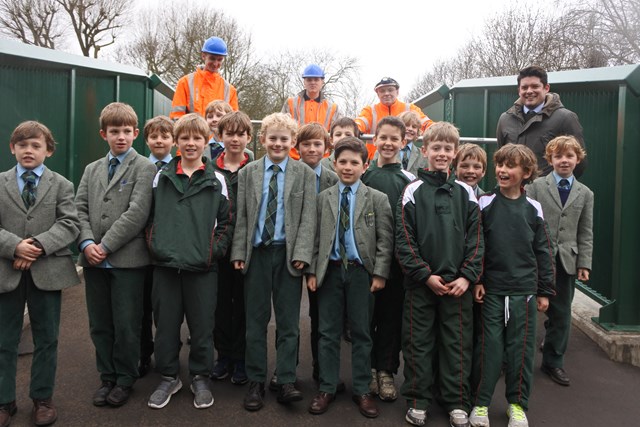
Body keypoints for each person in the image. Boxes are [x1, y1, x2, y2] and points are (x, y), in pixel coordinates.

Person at [396, 122, 484, 427]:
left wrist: (467, 276)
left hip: (458, 286)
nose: (442, 153)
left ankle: (456, 401)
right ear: (425, 151)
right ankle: (418, 400)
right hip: (422, 285)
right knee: (418, 342)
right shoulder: (412, 191)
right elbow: (404, 239)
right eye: (436, 148)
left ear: (455, 152)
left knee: (457, 344)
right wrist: (424, 275)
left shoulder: (466, 193)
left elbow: (476, 239)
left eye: (448, 148)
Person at [146, 114, 233, 410]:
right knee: (166, 326)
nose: (191, 143)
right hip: (166, 266)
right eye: (185, 138)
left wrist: (212, 251)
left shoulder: (216, 180)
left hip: (202, 268)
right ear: (176, 141)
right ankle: (168, 376)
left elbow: (226, 223)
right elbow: (149, 216)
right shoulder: (161, 176)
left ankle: (200, 377)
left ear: (206, 141)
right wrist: (156, 246)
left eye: (197, 138)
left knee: (202, 326)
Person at [230, 113, 316, 412]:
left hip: (288, 255)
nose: (278, 143)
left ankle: (286, 379)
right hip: (257, 254)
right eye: (273, 138)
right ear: (262, 139)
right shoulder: (248, 173)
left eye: (284, 139)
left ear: (293, 142)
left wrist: (302, 252)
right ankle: (255, 380)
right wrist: (239, 252)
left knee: (288, 322)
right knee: (255, 321)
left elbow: (308, 218)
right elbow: (242, 216)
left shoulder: (304, 174)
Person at [75, 102, 156, 408]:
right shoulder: (91, 169)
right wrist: (86, 243)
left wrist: (105, 245)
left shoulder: (144, 167)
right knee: (100, 323)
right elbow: (79, 209)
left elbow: (137, 213)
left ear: (135, 133)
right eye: (114, 131)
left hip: (127, 260)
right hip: (93, 260)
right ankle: (107, 375)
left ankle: (124, 378)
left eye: (126, 131)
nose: (120, 137)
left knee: (126, 323)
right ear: (103, 134)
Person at [0, 121, 80, 427]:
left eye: (36, 146)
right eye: (22, 145)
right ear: (13, 148)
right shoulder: (0, 182)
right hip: (6, 271)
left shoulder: (62, 184)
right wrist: (14, 247)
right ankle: (5, 401)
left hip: (47, 272)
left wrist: (34, 246)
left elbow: (70, 224)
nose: (29, 151)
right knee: (4, 339)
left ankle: (42, 398)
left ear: (48, 150)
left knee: (47, 338)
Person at [306, 137, 393, 419]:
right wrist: (312, 271)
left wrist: (380, 273)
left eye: (354, 162)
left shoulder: (377, 199)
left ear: (365, 166)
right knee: (327, 331)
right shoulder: (323, 198)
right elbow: (315, 238)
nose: (347, 167)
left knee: (361, 332)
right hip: (330, 271)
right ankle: (327, 386)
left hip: (361, 273)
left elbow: (385, 240)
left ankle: (362, 389)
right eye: (342, 161)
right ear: (334, 163)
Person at [470, 144, 555, 427]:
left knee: (521, 351)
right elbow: (477, 245)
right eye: (500, 165)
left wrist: (544, 290)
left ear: (526, 173)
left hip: (525, 292)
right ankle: (481, 403)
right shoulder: (484, 202)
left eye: (511, 166)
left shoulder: (534, 208)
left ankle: (517, 405)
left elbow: (543, 250)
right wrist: (478, 279)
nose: (503, 170)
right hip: (492, 290)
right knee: (489, 349)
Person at [525, 136, 593, 387]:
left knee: (562, 314)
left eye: (569, 156)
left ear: (578, 159)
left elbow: (585, 231)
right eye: (558, 156)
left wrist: (584, 263)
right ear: (550, 159)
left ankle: (553, 361)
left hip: (566, 262)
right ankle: (516, 360)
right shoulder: (535, 187)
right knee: (526, 312)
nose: (564, 160)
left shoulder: (585, 194)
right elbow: (526, 222)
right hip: (536, 260)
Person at [361, 116, 415, 402]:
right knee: (366, 317)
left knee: (391, 318)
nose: (388, 143)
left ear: (404, 142)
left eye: (395, 139)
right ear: (375, 140)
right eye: (383, 137)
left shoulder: (409, 181)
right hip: (366, 261)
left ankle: (386, 370)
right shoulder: (364, 176)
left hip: (396, 264)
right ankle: (368, 368)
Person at [210, 111, 254, 386]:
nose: (235, 139)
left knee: (244, 304)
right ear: (220, 136)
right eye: (230, 134)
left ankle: (241, 357)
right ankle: (223, 355)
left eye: (241, 134)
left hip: (246, 249)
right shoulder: (208, 168)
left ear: (249, 137)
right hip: (217, 248)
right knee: (220, 304)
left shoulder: (256, 169)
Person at [294, 122, 339, 384]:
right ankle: (286, 369)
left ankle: (321, 368)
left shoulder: (333, 178)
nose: (312, 149)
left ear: (326, 147)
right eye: (306, 144)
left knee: (320, 315)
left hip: (322, 256)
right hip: (292, 252)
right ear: (297, 147)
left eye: (317, 144)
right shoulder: (290, 174)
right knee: (289, 317)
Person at [496, 65, 586, 177]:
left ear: (546, 88)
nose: (529, 91)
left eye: (535, 86)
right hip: (512, 188)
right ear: (519, 90)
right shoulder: (505, 119)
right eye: (524, 87)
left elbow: (579, 163)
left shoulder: (566, 118)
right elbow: (501, 159)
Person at [138, 115, 175, 378]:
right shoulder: (140, 168)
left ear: (174, 140)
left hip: (169, 249)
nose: (159, 141)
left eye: (165, 136)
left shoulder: (179, 167)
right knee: (141, 307)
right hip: (141, 249)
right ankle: (143, 353)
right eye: (154, 136)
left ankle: (169, 352)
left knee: (167, 309)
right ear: (146, 140)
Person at [355, 77, 433, 161]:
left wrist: (434, 128)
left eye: (390, 90)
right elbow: (361, 121)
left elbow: (425, 122)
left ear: (397, 92)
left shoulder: (410, 108)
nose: (386, 93)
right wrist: (355, 128)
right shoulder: (370, 110)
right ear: (378, 94)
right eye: (382, 91)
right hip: (374, 160)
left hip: (403, 161)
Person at [170, 36, 239, 120]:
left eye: (219, 60)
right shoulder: (185, 82)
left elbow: (233, 121)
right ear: (203, 56)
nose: (215, 63)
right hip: (191, 129)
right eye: (212, 58)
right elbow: (177, 117)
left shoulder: (230, 90)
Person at [282, 64, 340, 133]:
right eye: (309, 80)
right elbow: (281, 127)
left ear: (322, 82)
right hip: (296, 140)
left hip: (321, 140)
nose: (312, 82)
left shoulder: (332, 108)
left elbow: (337, 132)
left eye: (316, 80)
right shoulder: (290, 103)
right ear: (304, 82)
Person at [397, 111, 427, 175]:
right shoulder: (385, 152)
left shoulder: (423, 155)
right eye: (407, 125)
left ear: (418, 131)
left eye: (414, 127)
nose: (410, 129)